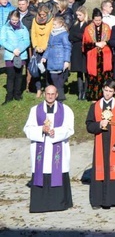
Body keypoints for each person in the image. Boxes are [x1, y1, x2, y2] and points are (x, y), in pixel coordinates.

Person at [23, 85, 74, 213]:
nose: (50, 96)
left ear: (57, 95)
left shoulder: (66, 110)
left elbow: (69, 128)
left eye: (53, 94)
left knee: (58, 172)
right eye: (48, 93)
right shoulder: (35, 110)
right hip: (41, 149)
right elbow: (27, 129)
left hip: (57, 147)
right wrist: (41, 129)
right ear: (44, 94)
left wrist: (55, 132)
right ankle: (40, 205)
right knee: (42, 172)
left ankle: (59, 204)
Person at [85, 79, 115, 209]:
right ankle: (98, 201)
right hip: (101, 144)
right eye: (105, 90)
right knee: (100, 172)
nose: (107, 93)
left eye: (110, 91)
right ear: (102, 89)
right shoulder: (95, 106)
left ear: (114, 91)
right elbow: (89, 126)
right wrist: (99, 125)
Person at [82, 8, 113, 101]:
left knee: (106, 76)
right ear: (93, 19)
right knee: (93, 77)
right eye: (96, 20)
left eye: (100, 20)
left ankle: (106, 96)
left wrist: (106, 42)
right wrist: (95, 44)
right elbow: (85, 44)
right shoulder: (88, 29)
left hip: (105, 56)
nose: (98, 22)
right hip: (93, 56)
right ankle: (94, 96)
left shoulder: (107, 27)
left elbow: (111, 40)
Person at [1, 10, 31, 104]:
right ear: (10, 18)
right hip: (10, 55)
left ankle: (17, 94)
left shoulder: (23, 28)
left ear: (19, 19)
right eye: (13, 19)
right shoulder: (5, 28)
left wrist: (19, 49)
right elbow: (2, 40)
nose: (14, 21)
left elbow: (27, 41)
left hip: (21, 55)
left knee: (18, 75)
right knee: (10, 76)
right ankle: (9, 96)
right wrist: (13, 50)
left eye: (16, 19)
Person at [41, 16, 72, 102]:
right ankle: (59, 94)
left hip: (59, 59)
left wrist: (66, 60)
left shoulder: (64, 34)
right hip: (52, 59)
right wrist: (44, 56)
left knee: (57, 77)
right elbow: (49, 46)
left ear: (61, 24)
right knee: (55, 77)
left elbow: (67, 47)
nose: (53, 26)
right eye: (53, 24)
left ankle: (60, 95)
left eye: (55, 24)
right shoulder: (52, 33)